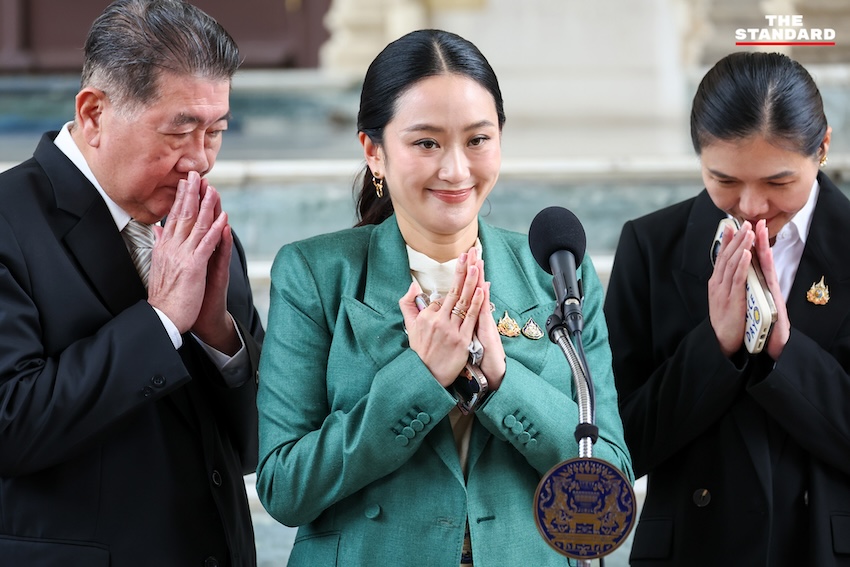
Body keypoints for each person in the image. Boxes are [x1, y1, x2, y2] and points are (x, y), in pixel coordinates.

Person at [256, 28, 632, 566]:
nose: (456, 169)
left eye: (477, 139)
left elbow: (610, 481)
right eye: (426, 142)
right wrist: (419, 379)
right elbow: (283, 488)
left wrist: (503, 383)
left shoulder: (556, 274)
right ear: (374, 152)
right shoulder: (316, 274)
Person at [0, 1, 264, 565]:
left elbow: (254, 446)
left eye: (215, 132)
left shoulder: (203, 230)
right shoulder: (6, 221)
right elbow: (10, 425)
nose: (200, 162)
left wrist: (217, 334)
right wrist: (162, 318)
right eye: (180, 130)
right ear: (94, 113)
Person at [604, 51, 850, 566]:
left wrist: (786, 352)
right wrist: (714, 347)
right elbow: (620, 446)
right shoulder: (651, 246)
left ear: (823, 147)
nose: (753, 206)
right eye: (726, 181)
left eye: (779, 182)